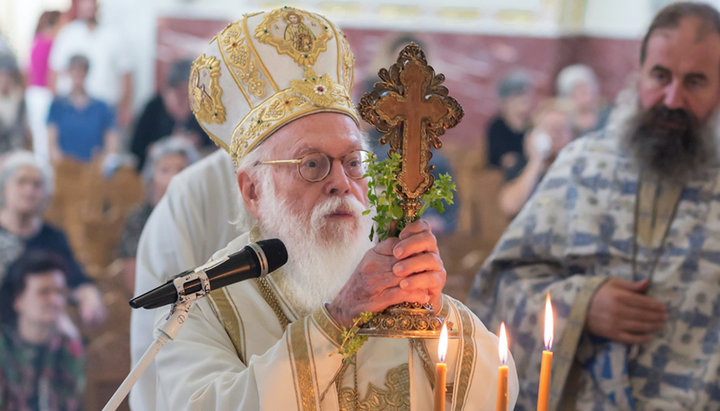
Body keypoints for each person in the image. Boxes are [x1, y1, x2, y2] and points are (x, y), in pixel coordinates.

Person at [143, 7, 518, 410]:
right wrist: (337, 321)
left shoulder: (394, 277)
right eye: (312, 164)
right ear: (253, 190)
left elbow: (498, 392)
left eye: (353, 162)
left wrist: (436, 311)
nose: (341, 182)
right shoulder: (204, 306)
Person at [468, 3, 720, 409]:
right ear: (638, 75)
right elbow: (497, 288)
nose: (672, 98)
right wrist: (580, 305)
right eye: (660, 76)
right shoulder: (581, 165)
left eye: (696, 81)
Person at [0, 150, 105, 328]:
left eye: (37, 184)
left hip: (41, 333)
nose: (29, 190)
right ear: (4, 188)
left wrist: (90, 299)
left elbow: (76, 280)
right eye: (21, 182)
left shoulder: (53, 237)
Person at [0, 250, 84, 410]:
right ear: (18, 300)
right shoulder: (3, 348)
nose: (55, 300)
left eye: (59, 291)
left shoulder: (68, 344)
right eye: (44, 292)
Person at [117, 136, 199, 294]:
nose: (174, 178)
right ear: (151, 177)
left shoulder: (202, 217)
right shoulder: (138, 220)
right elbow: (132, 282)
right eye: (165, 170)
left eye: (181, 169)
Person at [49, 0, 134, 129]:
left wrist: (124, 109)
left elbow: (126, 74)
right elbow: (53, 73)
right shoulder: (67, 34)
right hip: (73, 112)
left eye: (91, 2)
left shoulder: (114, 35)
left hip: (106, 111)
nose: (88, 6)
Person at [497, 98, 574, 217]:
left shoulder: (579, 166)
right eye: (549, 128)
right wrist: (536, 161)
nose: (555, 135)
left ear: (572, 135)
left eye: (561, 129)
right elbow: (510, 206)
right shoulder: (522, 164)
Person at [130, 59, 211, 171]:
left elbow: (212, 145)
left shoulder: (203, 108)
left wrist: (195, 142)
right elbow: (136, 147)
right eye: (180, 92)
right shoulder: (153, 108)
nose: (185, 98)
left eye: (188, 93)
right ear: (169, 88)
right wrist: (166, 144)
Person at [47, 54, 118, 163]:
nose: (78, 74)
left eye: (82, 70)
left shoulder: (101, 107)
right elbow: (52, 143)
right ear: (69, 72)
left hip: (93, 167)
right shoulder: (58, 106)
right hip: (66, 168)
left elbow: (111, 141)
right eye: (74, 70)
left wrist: (105, 160)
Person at [25, 10, 63, 166]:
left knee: (39, 136)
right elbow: (51, 72)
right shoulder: (51, 43)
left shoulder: (36, 40)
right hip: (44, 92)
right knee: (44, 137)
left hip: (33, 92)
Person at [485, 69, 534, 170]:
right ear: (506, 101)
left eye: (526, 94)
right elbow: (503, 160)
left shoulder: (532, 125)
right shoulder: (497, 126)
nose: (525, 98)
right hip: (501, 177)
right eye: (519, 95)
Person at [555, 63, 610, 137]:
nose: (584, 95)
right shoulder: (563, 121)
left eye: (586, 90)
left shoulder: (607, 115)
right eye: (577, 91)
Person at [0, 54, 28, 154]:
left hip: (16, 154)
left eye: (8, 75)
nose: (5, 79)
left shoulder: (20, 102)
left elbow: (24, 135)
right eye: (2, 74)